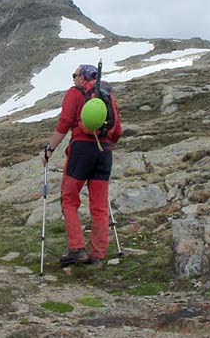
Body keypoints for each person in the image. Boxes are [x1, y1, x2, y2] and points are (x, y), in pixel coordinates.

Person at [42, 64, 122, 268]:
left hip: (81, 152)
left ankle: (76, 248)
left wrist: (50, 149)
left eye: (74, 75)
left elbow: (65, 122)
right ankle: (98, 254)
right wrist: (107, 145)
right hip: (104, 154)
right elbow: (117, 129)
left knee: (69, 199)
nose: (73, 79)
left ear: (82, 78)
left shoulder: (75, 93)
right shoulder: (107, 95)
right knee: (99, 205)